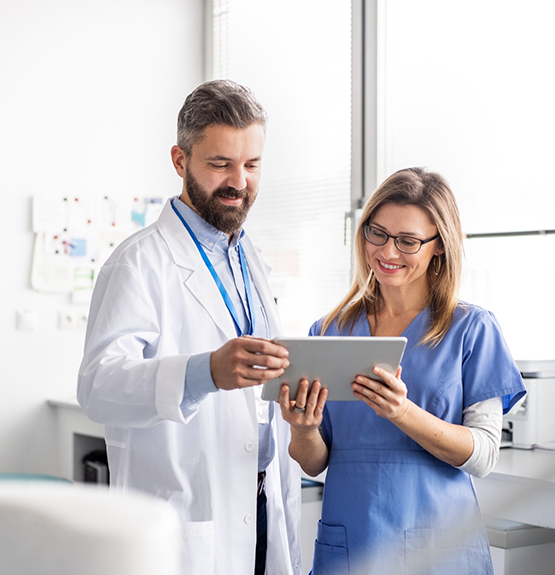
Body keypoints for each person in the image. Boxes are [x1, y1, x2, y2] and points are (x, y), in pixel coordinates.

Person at [77, 80, 303, 575]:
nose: (238, 181)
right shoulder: (138, 263)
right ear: (180, 161)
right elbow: (98, 387)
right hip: (187, 526)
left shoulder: (251, 261)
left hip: (262, 507)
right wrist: (206, 373)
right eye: (220, 163)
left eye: (251, 165)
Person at [279, 167, 526, 575]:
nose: (387, 252)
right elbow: (314, 462)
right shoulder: (328, 331)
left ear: (439, 246)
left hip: (440, 549)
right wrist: (303, 429)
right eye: (377, 233)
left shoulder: (471, 329)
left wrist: (401, 412)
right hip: (350, 546)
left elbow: (482, 455)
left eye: (408, 241)